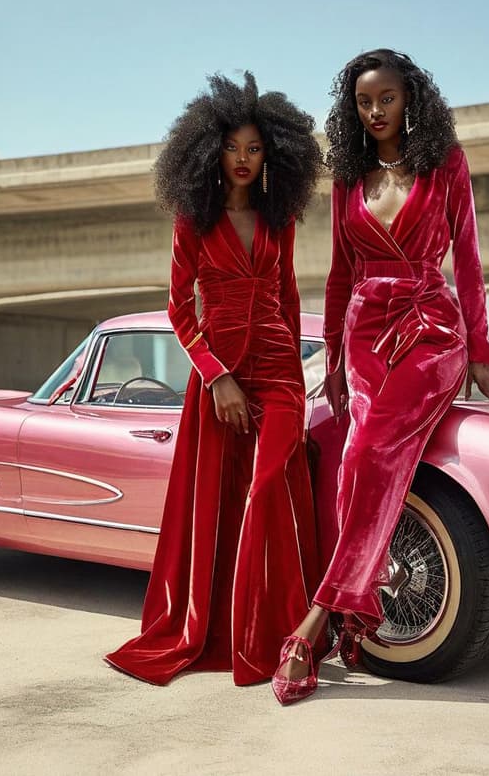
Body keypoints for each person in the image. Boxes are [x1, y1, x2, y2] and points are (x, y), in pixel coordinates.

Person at [271, 49, 489, 705]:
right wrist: (332, 359)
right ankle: (357, 611)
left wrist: (481, 352)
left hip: (430, 330)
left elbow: (466, 257)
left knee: (374, 447)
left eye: (385, 98)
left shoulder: (445, 166)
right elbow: (339, 273)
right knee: (355, 458)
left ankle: (316, 622)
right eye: (362, 102)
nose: (374, 111)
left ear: (410, 100)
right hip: (363, 332)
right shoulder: (350, 177)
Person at [105, 72, 324, 686]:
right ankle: (229, 631)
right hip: (219, 377)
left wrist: (304, 374)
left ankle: (276, 637)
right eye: (233, 148)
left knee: (265, 490)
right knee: (222, 502)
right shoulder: (192, 221)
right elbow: (179, 309)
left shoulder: (278, 220)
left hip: (280, 374)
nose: (244, 160)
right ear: (210, 151)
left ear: (272, 153)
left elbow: (286, 299)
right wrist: (218, 376)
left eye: (255, 149)